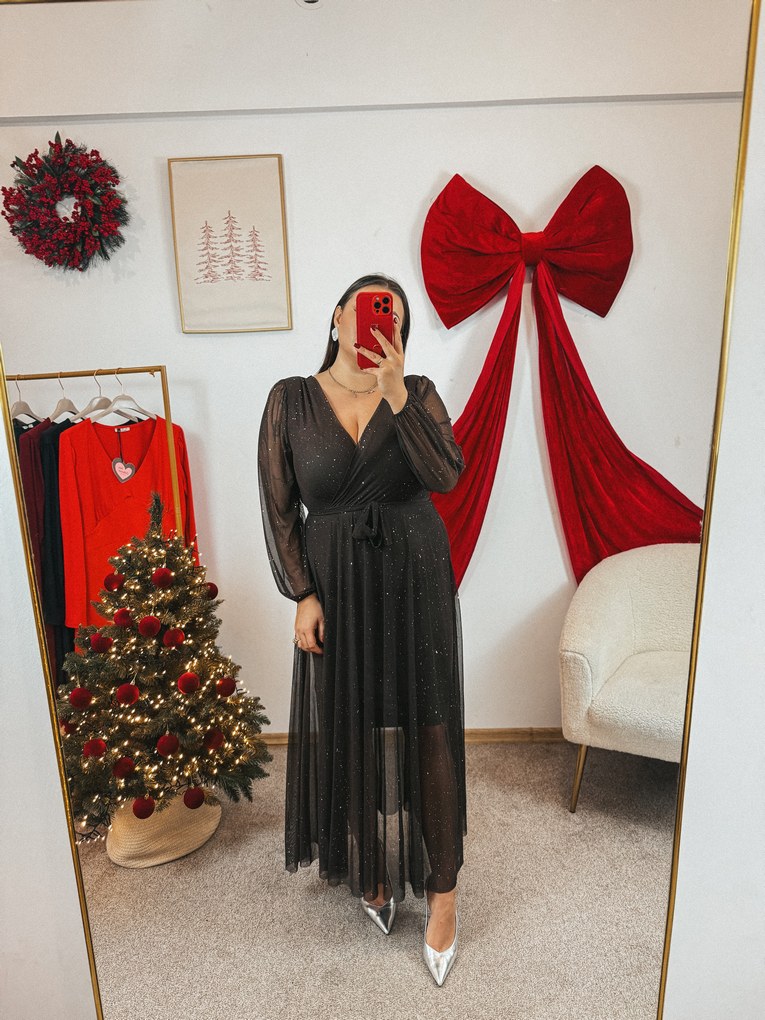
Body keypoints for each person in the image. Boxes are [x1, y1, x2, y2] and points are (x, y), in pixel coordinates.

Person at [257, 274, 467, 986]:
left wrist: (397, 391)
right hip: (336, 588)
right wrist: (302, 594)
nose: (381, 325)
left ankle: (443, 892)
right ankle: (371, 873)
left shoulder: (419, 392)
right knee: (346, 722)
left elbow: (445, 475)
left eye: (395, 318)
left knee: (428, 724)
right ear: (338, 317)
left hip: (415, 578)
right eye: (371, 310)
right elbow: (280, 506)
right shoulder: (290, 399)